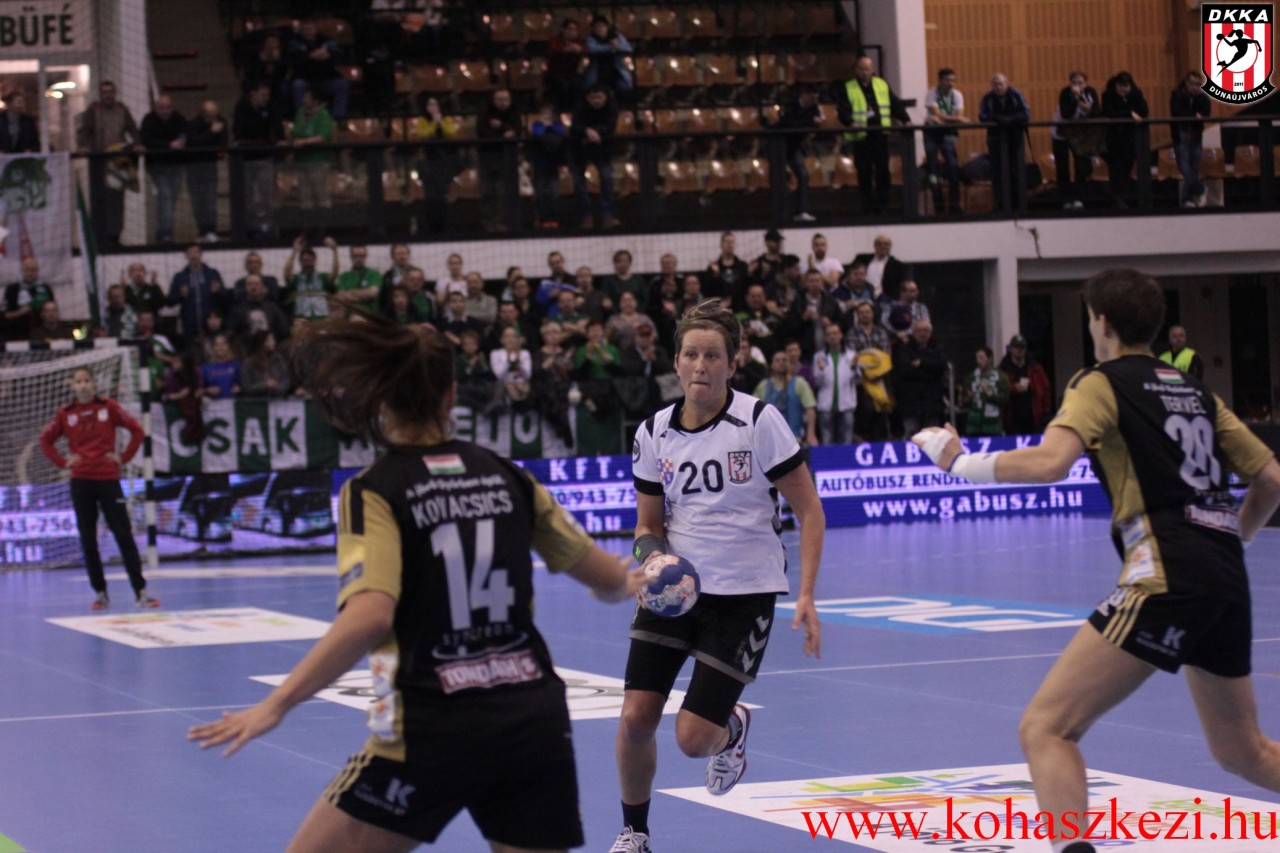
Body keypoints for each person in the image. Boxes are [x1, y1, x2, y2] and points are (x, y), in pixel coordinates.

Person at [189, 314, 643, 853]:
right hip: (530, 722)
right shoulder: (509, 477)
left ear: (382, 399)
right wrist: (625, 582)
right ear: (452, 395)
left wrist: (279, 703)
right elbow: (607, 576)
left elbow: (370, 614)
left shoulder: (374, 491)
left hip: (429, 727)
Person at [911, 267, 1280, 853]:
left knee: (1046, 728)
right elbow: (1270, 479)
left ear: (1101, 322)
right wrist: (1234, 539)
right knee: (1244, 750)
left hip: (1165, 569)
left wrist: (958, 462)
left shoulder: (1099, 383)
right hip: (1225, 574)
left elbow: (1050, 462)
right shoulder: (1195, 392)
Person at [613, 301, 823, 853]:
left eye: (712, 356)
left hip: (743, 597)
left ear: (732, 364)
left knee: (691, 739)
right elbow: (647, 525)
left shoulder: (758, 422)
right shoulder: (654, 431)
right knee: (635, 718)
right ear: (676, 363)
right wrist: (653, 559)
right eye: (691, 354)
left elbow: (810, 509)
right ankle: (635, 832)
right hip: (674, 590)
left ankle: (730, 729)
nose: (700, 366)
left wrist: (805, 594)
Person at [39, 367, 158, 610]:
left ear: (94, 383)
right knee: (88, 538)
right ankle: (100, 593)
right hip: (81, 481)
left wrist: (123, 458)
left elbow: (137, 430)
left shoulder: (109, 407)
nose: (83, 385)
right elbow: (45, 440)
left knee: (123, 534)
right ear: (72, 385)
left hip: (108, 479)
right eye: (78, 381)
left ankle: (140, 591)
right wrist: (63, 462)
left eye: (86, 381)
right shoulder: (65, 413)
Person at [837, 55, 910, 214]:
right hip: (861, 138)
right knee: (864, 173)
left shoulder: (881, 84)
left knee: (883, 172)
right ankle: (868, 208)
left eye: (867, 69)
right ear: (856, 70)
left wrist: (906, 119)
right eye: (861, 69)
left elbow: (895, 104)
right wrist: (850, 122)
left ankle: (883, 207)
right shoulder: (847, 87)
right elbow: (843, 111)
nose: (864, 72)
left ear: (872, 70)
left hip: (880, 136)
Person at [76, 80, 142, 247]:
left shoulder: (122, 109)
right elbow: (85, 130)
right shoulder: (94, 110)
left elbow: (132, 129)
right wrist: (83, 145)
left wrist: (138, 143)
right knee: (99, 198)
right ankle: (98, 236)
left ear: (115, 93)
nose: (107, 95)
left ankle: (115, 236)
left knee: (116, 200)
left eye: (110, 92)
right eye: (104, 92)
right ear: (100, 94)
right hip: (99, 159)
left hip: (118, 160)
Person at [234, 82, 285, 241]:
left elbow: (277, 127)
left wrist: (280, 140)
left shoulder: (271, 107)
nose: (266, 98)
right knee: (246, 196)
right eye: (263, 95)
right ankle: (248, 228)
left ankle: (267, 227)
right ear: (253, 94)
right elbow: (237, 132)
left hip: (265, 158)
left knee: (267, 194)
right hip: (246, 159)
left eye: (268, 95)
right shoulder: (242, 107)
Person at [979, 72, 1032, 212]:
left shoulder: (1016, 95)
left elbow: (1026, 113)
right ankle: (1000, 204)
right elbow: (982, 116)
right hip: (995, 140)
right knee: (997, 172)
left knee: (1016, 170)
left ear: (1007, 84)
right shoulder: (987, 98)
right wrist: (998, 119)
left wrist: (1009, 119)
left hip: (1015, 139)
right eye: (995, 84)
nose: (998, 87)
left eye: (1001, 84)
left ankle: (1018, 204)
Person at [139, 95, 188, 245]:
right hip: (157, 166)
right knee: (165, 196)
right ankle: (166, 233)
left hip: (176, 166)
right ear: (156, 108)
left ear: (172, 107)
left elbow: (186, 132)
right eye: (161, 108)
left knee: (172, 197)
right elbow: (147, 139)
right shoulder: (149, 120)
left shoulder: (178, 118)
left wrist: (182, 140)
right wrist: (168, 145)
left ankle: (164, 228)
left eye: (167, 108)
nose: (165, 111)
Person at [570, 85, 620, 229]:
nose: (596, 101)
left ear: (605, 97)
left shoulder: (611, 106)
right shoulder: (580, 107)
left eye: (599, 97)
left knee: (607, 178)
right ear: (587, 98)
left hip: (602, 149)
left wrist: (595, 133)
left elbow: (610, 126)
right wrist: (587, 132)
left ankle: (608, 215)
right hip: (580, 150)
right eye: (592, 98)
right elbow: (575, 127)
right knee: (578, 182)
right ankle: (586, 216)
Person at [1053, 71, 1101, 210]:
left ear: (1086, 83)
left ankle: (1080, 198)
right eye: (1074, 83)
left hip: (1080, 134)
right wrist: (1075, 99)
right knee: (1062, 166)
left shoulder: (1091, 92)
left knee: (1081, 165)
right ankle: (1065, 199)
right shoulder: (1065, 93)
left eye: (1080, 83)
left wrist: (1089, 109)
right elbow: (1066, 114)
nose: (1077, 86)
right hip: (1062, 133)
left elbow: (1097, 112)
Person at [1101, 71, 1149, 208]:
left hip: (1130, 139)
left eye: (1126, 86)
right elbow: (1110, 113)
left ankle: (1124, 197)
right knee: (1116, 169)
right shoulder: (1108, 95)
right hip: (1113, 139)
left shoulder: (1136, 94)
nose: (1123, 89)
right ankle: (1117, 198)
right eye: (1120, 86)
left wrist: (1132, 103)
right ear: (1115, 85)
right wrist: (1129, 113)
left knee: (1127, 167)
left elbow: (1144, 112)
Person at [775, 83, 822, 222]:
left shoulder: (814, 107)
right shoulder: (790, 105)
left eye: (816, 99)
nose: (814, 102)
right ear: (804, 95)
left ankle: (802, 211)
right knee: (780, 178)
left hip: (794, 147)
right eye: (812, 98)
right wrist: (809, 121)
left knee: (803, 175)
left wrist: (812, 122)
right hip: (779, 145)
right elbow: (789, 123)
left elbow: (815, 124)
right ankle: (780, 213)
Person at [186, 99, 229, 242]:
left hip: (211, 165)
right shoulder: (193, 124)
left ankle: (211, 230)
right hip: (194, 166)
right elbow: (193, 143)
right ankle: (202, 231)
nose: (213, 117)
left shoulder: (221, 122)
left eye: (215, 113)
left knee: (210, 199)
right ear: (203, 113)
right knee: (197, 200)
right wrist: (211, 132)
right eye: (210, 114)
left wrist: (219, 155)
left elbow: (223, 144)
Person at [923, 68, 965, 213]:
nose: (951, 83)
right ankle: (938, 205)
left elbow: (958, 114)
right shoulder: (932, 93)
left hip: (948, 132)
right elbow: (937, 114)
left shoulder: (957, 95)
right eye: (947, 80)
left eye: (953, 80)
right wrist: (956, 119)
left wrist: (946, 118)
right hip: (931, 132)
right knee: (933, 170)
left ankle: (955, 205)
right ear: (940, 81)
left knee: (953, 167)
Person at [168, 243, 228, 342]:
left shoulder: (213, 274)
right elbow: (170, 301)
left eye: (196, 252)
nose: (193, 256)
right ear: (186, 256)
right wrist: (181, 295)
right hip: (189, 327)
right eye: (190, 253)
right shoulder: (179, 277)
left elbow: (225, 299)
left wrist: (218, 292)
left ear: (201, 254)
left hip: (210, 327)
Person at [290, 87, 336, 214]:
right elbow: (294, 132)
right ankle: (306, 224)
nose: (304, 100)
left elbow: (322, 137)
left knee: (321, 195)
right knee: (304, 197)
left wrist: (304, 142)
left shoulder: (324, 115)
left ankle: (323, 224)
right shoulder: (301, 113)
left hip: (318, 161)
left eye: (307, 98)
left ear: (316, 101)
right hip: (301, 160)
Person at [1170, 71, 1211, 209]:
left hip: (1196, 135)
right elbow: (1177, 112)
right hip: (1181, 135)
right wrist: (1194, 114)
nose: (1195, 87)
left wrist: (1198, 112)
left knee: (1194, 168)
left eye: (1198, 84)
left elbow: (1206, 112)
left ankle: (1186, 199)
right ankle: (1201, 189)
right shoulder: (1177, 95)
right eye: (1192, 83)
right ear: (1186, 82)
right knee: (1184, 166)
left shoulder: (1202, 97)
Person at [1000, 334, 1052, 435]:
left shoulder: (1036, 368)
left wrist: (1045, 412)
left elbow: (1046, 390)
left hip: (1034, 418)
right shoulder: (1004, 369)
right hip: (1012, 419)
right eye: (1016, 347)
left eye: (1022, 347)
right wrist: (1013, 388)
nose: (1019, 350)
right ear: (1011, 349)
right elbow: (1000, 390)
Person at [529, 102, 569, 229]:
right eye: (543, 114)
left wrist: (551, 126)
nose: (546, 116)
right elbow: (538, 133)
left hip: (553, 164)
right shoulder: (537, 125)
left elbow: (561, 134)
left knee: (553, 192)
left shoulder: (557, 126)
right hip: (540, 164)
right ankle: (541, 218)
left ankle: (553, 218)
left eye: (549, 114)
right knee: (540, 192)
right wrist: (545, 127)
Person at [3, 257, 54, 342]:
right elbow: (4, 315)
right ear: (22, 270)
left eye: (33, 270)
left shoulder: (45, 288)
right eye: (27, 270)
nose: (30, 273)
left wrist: (47, 314)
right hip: (17, 334)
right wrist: (19, 312)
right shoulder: (12, 289)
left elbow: (54, 311)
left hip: (41, 334)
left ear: (37, 271)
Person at [964, 346, 1009, 436]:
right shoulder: (971, 377)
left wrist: (990, 394)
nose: (978, 361)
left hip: (993, 425)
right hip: (974, 426)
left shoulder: (1001, 377)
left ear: (990, 359)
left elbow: (1005, 398)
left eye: (981, 358)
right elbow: (963, 401)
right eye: (977, 358)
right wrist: (968, 397)